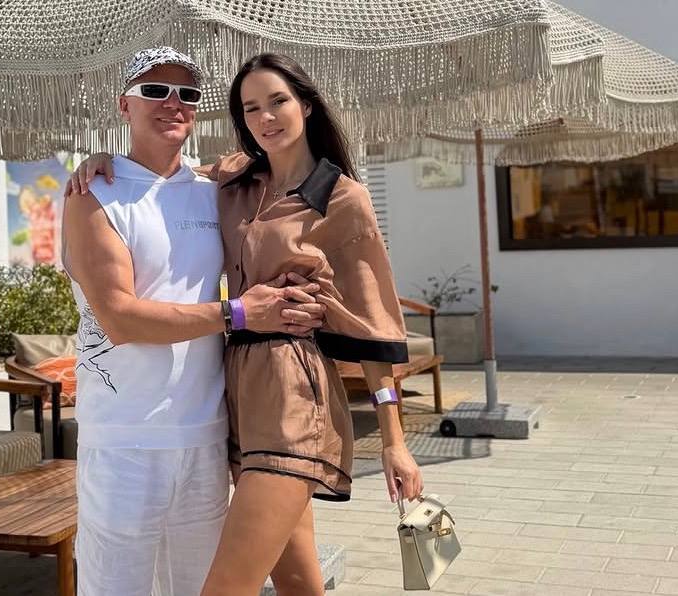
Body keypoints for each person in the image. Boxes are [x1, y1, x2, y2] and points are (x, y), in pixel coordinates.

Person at [72, 52, 424, 596]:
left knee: (225, 586)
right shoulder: (233, 182)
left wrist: (394, 441)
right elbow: (161, 177)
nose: (266, 117)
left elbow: (374, 324)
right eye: (251, 107)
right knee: (298, 583)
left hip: (291, 395)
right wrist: (103, 161)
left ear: (306, 105)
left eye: (278, 101)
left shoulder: (342, 197)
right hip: (231, 400)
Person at [61, 47, 325, 596]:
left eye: (188, 94)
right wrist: (240, 313)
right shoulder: (95, 193)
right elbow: (120, 318)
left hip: (206, 435)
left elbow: (285, 166)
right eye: (155, 91)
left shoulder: (214, 191)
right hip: (125, 440)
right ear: (124, 105)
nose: (173, 103)